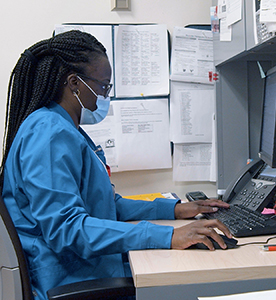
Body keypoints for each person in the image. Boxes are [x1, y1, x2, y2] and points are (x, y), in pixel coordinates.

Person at [0, 30, 231, 300]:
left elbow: (105, 205)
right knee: (192, 285)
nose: (105, 96)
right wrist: (166, 235)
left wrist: (175, 210)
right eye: (103, 87)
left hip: (86, 271)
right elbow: (67, 229)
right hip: (70, 282)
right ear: (74, 83)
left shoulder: (62, 127)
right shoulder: (48, 133)